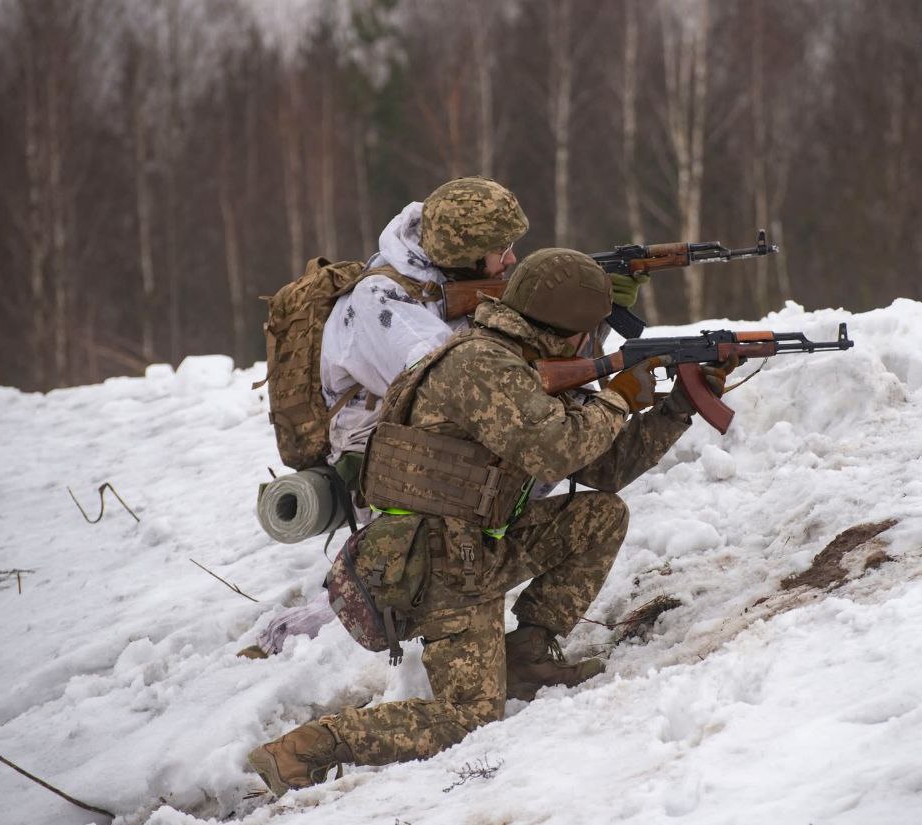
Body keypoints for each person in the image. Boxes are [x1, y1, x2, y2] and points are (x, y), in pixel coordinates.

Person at [247, 247, 732, 796]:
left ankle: (526, 658)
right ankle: (306, 747)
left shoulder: (520, 362)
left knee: (599, 517)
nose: (591, 343)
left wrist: (680, 406)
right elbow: (557, 448)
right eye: (589, 331)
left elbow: (604, 469)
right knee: (469, 718)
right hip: (432, 567)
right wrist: (617, 399)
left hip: (472, 545)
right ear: (566, 326)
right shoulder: (480, 367)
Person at [239, 176, 645, 659]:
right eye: (500, 251)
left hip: (441, 460)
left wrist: (591, 311)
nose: (510, 260)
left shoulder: (444, 279)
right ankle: (306, 632)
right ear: (463, 252)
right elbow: (477, 388)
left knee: (546, 451)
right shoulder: (382, 303)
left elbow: (513, 361)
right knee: (414, 582)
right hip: (397, 477)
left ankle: (504, 622)